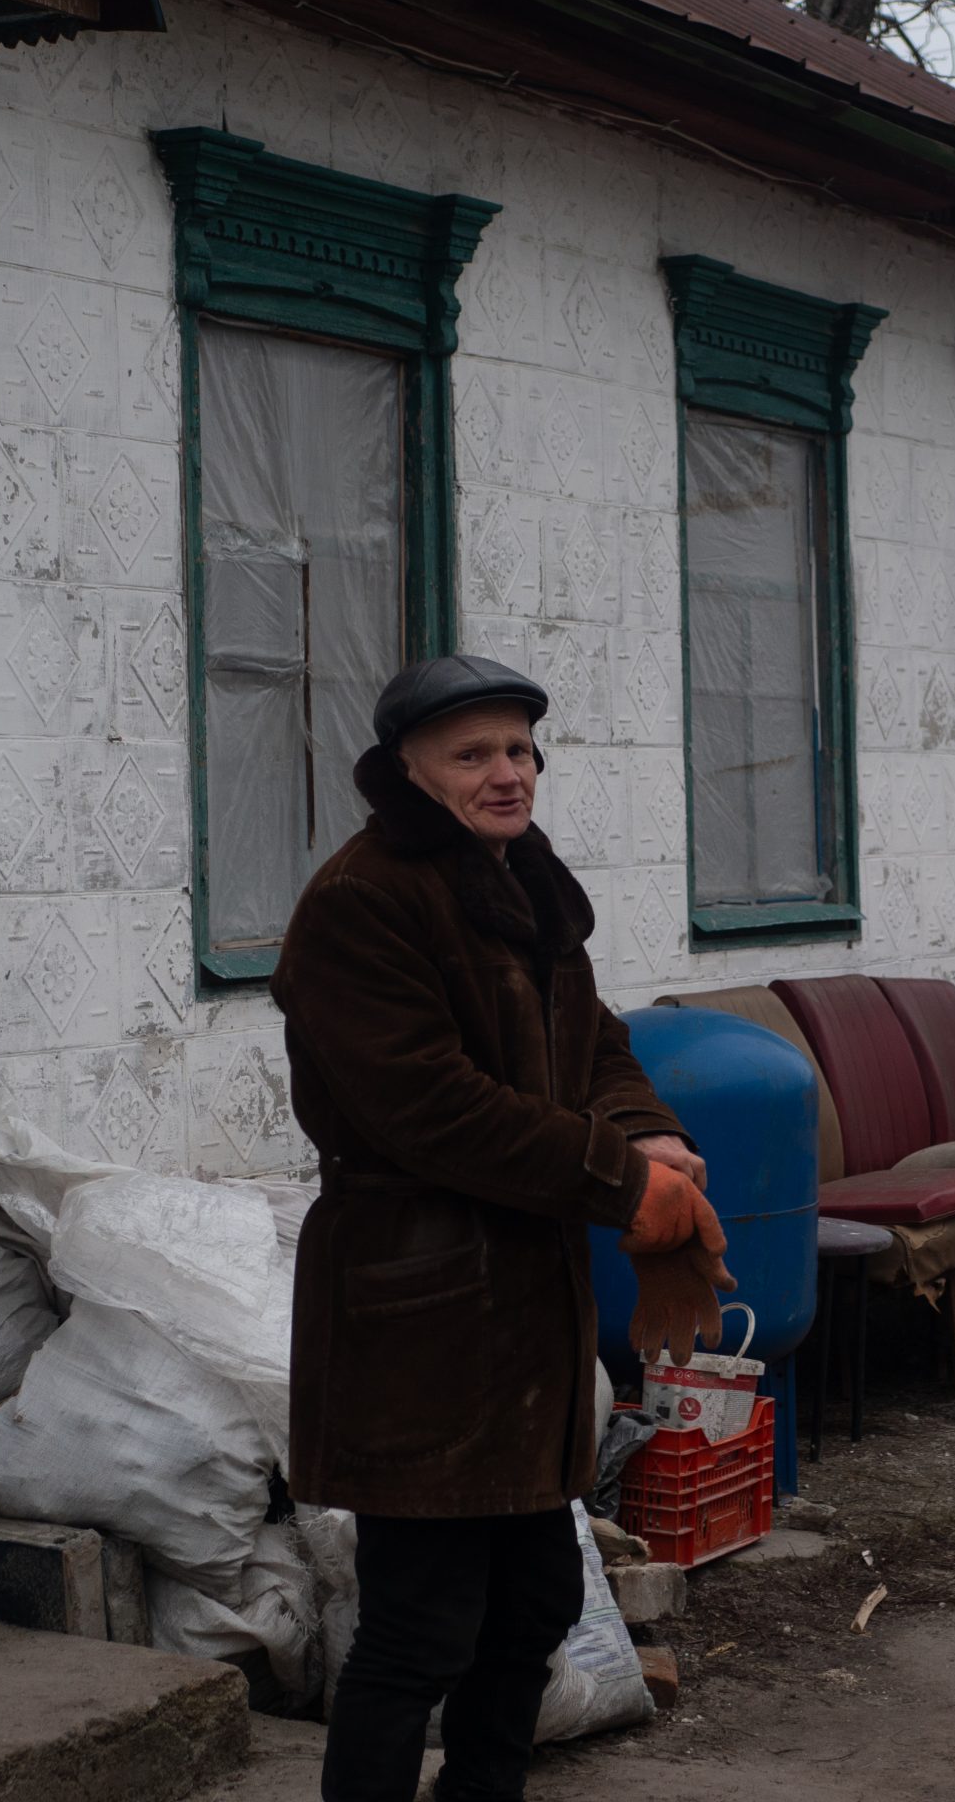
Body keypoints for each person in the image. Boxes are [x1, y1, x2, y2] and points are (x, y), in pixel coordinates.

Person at [272, 653, 737, 1802]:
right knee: (417, 1628)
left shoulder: (519, 885)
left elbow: (595, 1046)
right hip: (416, 1306)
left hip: (524, 1310)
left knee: (531, 1604)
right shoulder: (359, 903)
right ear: (406, 771)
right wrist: (619, 1182)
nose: (506, 772)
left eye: (519, 749)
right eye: (472, 753)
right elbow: (435, 1110)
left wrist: (651, 1137)